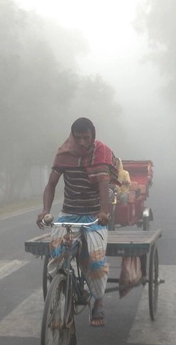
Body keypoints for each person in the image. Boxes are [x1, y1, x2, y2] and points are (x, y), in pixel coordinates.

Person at [36, 117, 118, 328]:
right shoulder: (63, 154)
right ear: (72, 136)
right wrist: (45, 210)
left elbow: (103, 184)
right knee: (56, 250)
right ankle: (62, 290)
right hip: (69, 213)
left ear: (93, 136)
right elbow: (51, 184)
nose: (82, 142)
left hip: (94, 215)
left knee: (96, 257)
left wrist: (103, 211)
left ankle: (98, 300)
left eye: (86, 138)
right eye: (78, 138)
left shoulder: (101, 153)